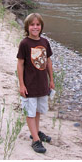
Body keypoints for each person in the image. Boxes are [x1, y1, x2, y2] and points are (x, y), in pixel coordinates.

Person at [17, 13, 55, 153]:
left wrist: (51, 79)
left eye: (37, 24)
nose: (35, 27)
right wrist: (21, 84)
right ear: (27, 27)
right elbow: (20, 64)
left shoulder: (45, 42)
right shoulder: (25, 43)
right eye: (32, 24)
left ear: (41, 26)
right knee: (30, 112)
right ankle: (35, 140)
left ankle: (36, 132)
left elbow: (48, 62)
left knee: (38, 110)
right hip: (29, 85)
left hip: (42, 84)